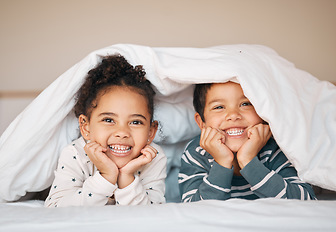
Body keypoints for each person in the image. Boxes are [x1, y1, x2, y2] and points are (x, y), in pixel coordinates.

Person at [45, 55, 167, 207]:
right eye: (109, 120)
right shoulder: (76, 154)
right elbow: (55, 207)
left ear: (150, 132)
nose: (122, 132)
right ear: (85, 127)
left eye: (136, 122)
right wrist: (106, 177)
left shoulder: (152, 158)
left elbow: (153, 212)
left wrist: (127, 177)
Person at [178, 81, 316, 201]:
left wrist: (248, 161)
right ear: (201, 122)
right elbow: (194, 209)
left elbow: (306, 201)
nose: (233, 115)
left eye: (245, 104)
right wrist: (222, 163)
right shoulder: (196, 153)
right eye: (219, 107)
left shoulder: (276, 148)